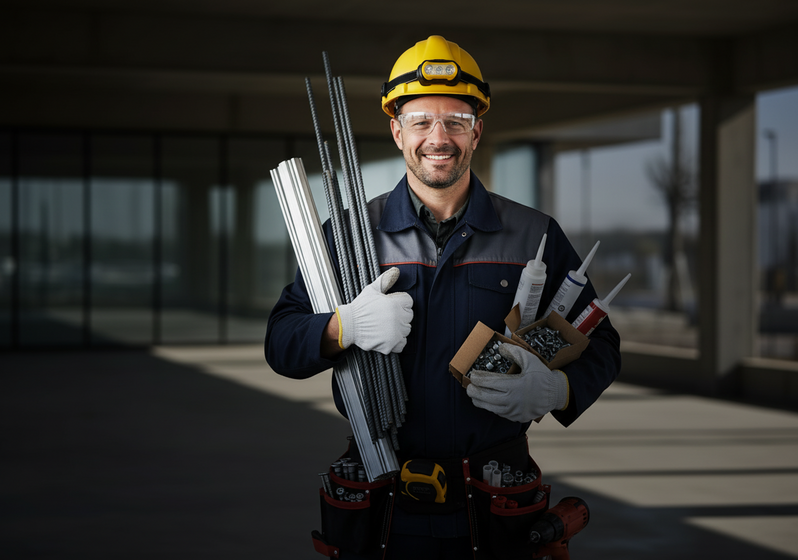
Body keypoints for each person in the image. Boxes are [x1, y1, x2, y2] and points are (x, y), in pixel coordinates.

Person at [265, 35, 621, 560]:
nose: (440, 137)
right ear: (396, 130)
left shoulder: (533, 235)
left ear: (477, 130)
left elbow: (602, 342)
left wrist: (557, 390)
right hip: (380, 495)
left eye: (456, 119)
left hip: (495, 500)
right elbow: (280, 342)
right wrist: (344, 327)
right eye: (421, 121)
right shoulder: (347, 234)